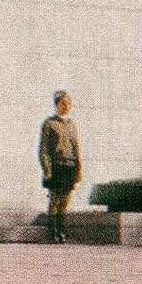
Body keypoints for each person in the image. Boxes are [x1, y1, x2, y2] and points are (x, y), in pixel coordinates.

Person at [38, 90, 82, 244]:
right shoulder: (49, 123)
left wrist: (79, 169)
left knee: (66, 200)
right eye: (63, 103)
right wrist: (46, 169)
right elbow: (43, 149)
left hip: (70, 165)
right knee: (55, 199)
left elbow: (77, 148)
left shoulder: (72, 124)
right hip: (56, 165)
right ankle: (53, 231)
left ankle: (61, 229)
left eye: (68, 103)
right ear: (56, 105)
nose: (66, 106)